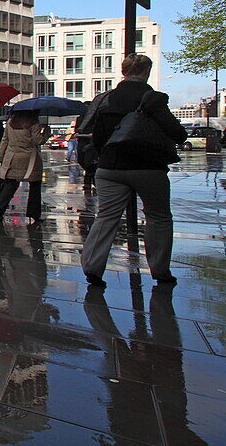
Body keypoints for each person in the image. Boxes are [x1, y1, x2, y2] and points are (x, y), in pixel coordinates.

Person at [78, 54, 187, 288]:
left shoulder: (105, 98)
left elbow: (96, 137)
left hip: (110, 166)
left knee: (106, 217)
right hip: (148, 166)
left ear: (122, 71)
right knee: (158, 217)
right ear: (147, 71)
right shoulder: (152, 99)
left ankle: (92, 267)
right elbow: (177, 132)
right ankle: (160, 269)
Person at [0, 109, 49, 222]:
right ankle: (34, 213)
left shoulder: (10, 122)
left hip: (12, 157)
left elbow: (5, 140)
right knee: (35, 185)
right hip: (30, 159)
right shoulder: (33, 123)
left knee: (11, 184)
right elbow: (38, 141)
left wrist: (0, 157)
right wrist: (46, 131)